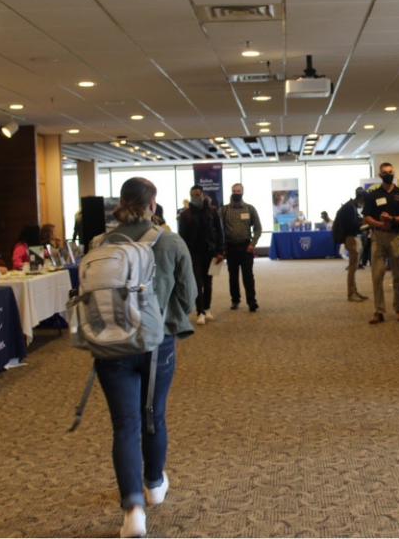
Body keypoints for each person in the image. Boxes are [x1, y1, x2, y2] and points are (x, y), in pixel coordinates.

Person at [90, 177, 196, 538]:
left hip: (110, 345)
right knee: (153, 417)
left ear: (120, 204)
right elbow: (189, 297)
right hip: (156, 343)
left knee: (125, 425)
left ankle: (133, 509)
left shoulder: (98, 244)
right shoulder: (170, 241)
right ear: (153, 205)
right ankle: (153, 484)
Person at [363, 163, 399, 323]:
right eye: (385, 172)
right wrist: (379, 224)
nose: (388, 174)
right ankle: (378, 310)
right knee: (377, 275)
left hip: (396, 236)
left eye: (390, 172)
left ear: (394, 172)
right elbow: (366, 217)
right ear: (380, 174)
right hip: (378, 236)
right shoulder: (373, 195)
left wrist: (392, 219)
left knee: (398, 275)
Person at [178, 185, 225, 325]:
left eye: (198, 194)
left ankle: (207, 308)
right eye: (193, 195)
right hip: (194, 253)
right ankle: (200, 312)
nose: (195, 197)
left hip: (210, 252)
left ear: (203, 195)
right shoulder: (185, 214)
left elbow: (220, 232)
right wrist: (185, 256)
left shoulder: (212, 211)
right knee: (198, 283)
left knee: (208, 283)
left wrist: (220, 251)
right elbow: (182, 237)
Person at [220, 183, 262, 312]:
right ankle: (235, 300)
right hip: (230, 248)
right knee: (233, 276)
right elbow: (218, 230)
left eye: (239, 191)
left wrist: (252, 244)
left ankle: (251, 301)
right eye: (234, 191)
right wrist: (222, 248)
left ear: (242, 192)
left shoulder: (250, 209)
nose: (236, 193)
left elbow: (258, 228)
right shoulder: (224, 210)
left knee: (248, 276)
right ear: (231, 192)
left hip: (246, 247)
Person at [337, 187, 368, 302]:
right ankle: (351, 293)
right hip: (351, 238)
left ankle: (354, 290)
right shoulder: (351, 208)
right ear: (361, 198)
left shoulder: (351, 206)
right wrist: (366, 224)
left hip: (352, 237)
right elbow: (352, 226)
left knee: (353, 266)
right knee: (352, 268)